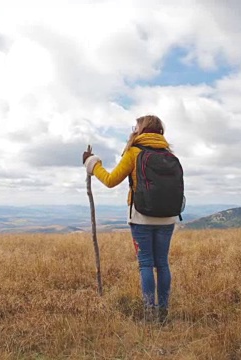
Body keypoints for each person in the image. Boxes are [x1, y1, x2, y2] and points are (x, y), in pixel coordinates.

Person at [82, 115, 178, 324]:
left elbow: (110, 180)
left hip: (141, 217)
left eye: (136, 127)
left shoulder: (134, 153)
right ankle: (163, 312)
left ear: (140, 130)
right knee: (162, 264)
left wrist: (92, 162)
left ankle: (149, 312)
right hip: (168, 218)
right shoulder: (169, 155)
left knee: (145, 264)